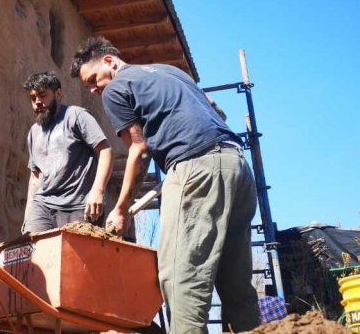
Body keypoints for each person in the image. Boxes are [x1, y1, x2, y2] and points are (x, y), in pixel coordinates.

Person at [70, 37, 260, 333]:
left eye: (93, 80)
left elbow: (139, 148)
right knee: (235, 283)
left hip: (195, 168)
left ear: (109, 61)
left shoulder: (118, 87)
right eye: (89, 88)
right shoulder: (171, 72)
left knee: (181, 277)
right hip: (236, 164)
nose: (94, 90)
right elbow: (216, 111)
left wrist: (121, 209)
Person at [21, 71, 114, 233]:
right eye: (33, 98)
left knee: (76, 257)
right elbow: (35, 176)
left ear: (58, 94)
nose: (37, 102)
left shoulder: (76, 116)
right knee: (34, 252)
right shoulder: (34, 132)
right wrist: (28, 214)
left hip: (79, 204)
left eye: (43, 95)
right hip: (43, 205)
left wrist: (98, 191)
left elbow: (105, 150)